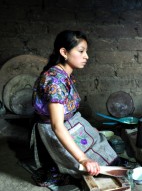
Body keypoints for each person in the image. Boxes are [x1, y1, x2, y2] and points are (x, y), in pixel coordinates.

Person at [31, 30, 118, 185]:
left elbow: (70, 111)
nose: (86, 56)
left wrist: (89, 129)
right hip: (53, 130)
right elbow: (57, 126)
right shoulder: (54, 81)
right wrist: (83, 159)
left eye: (86, 51)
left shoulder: (65, 74)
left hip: (71, 122)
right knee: (89, 170)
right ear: (64, 52)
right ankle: (56, 168)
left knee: (107, 152)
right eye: (81, 51)